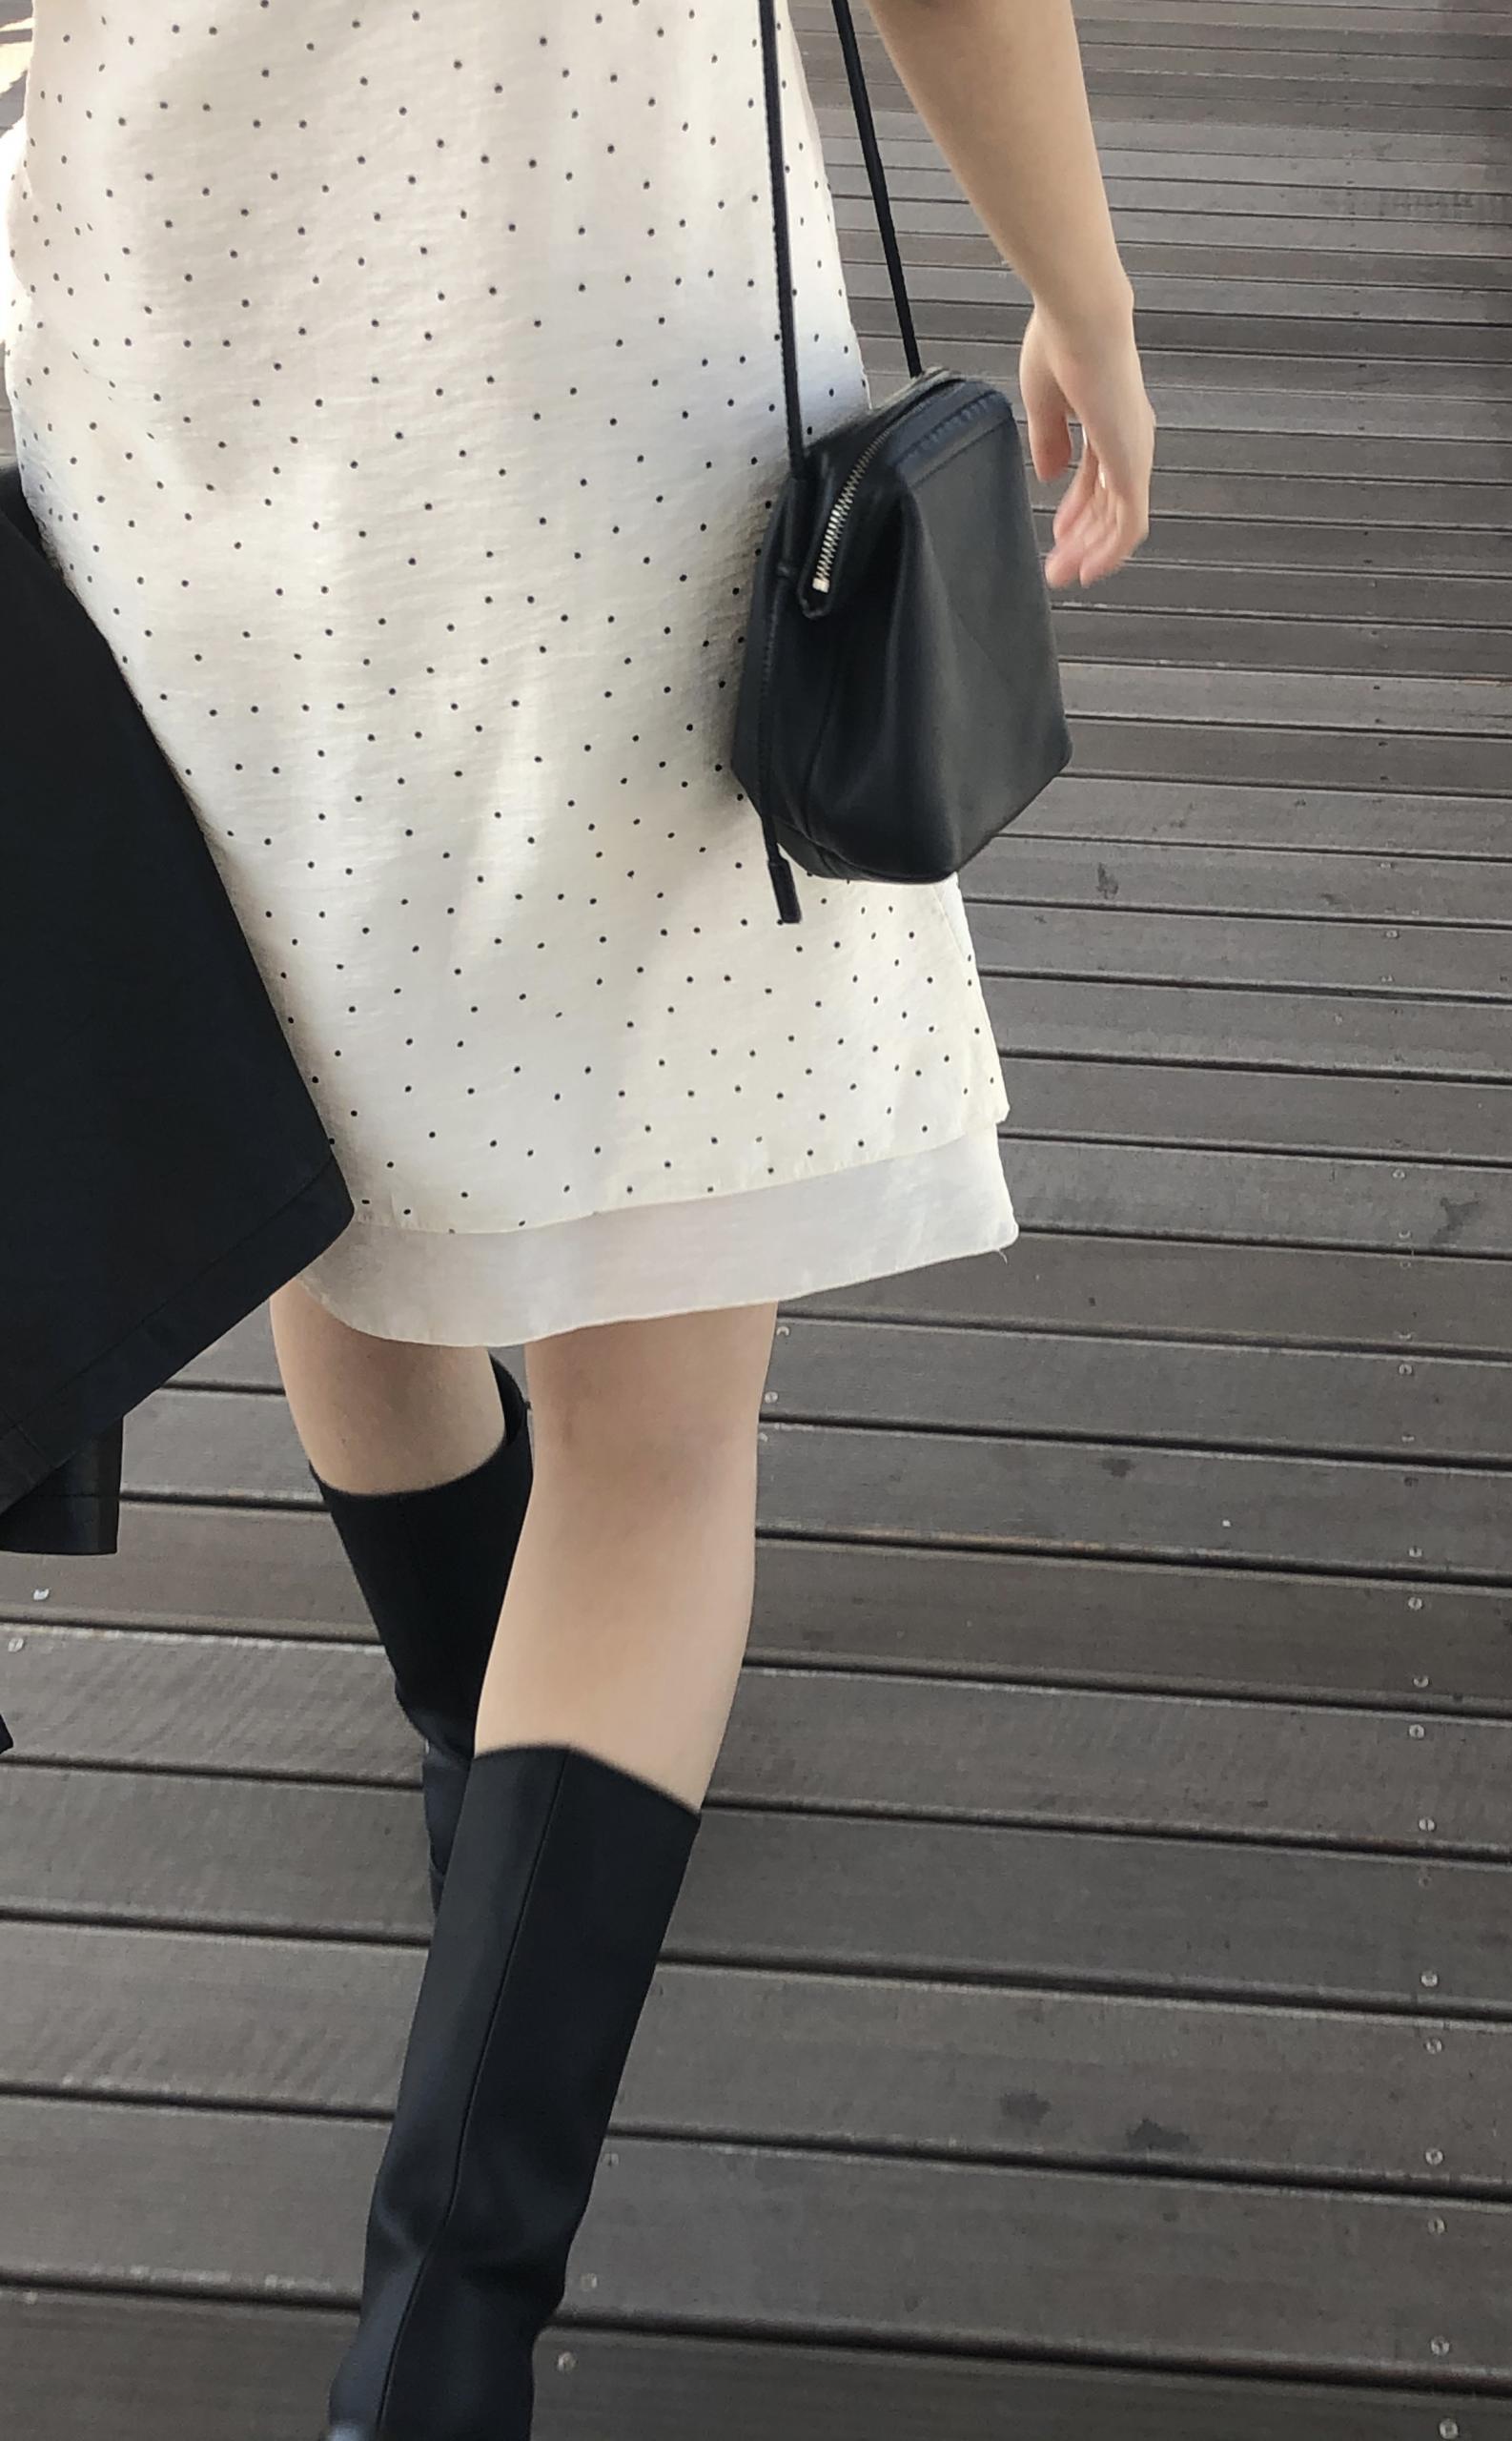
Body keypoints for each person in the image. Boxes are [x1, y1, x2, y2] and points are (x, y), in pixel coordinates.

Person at [2, 2, 1154, 2431]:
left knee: (336, 1146)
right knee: (656, 1427)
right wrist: (1086, 291)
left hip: (167, 412)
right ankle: (439, 2341)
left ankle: (476, 1742)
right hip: (611, 433)